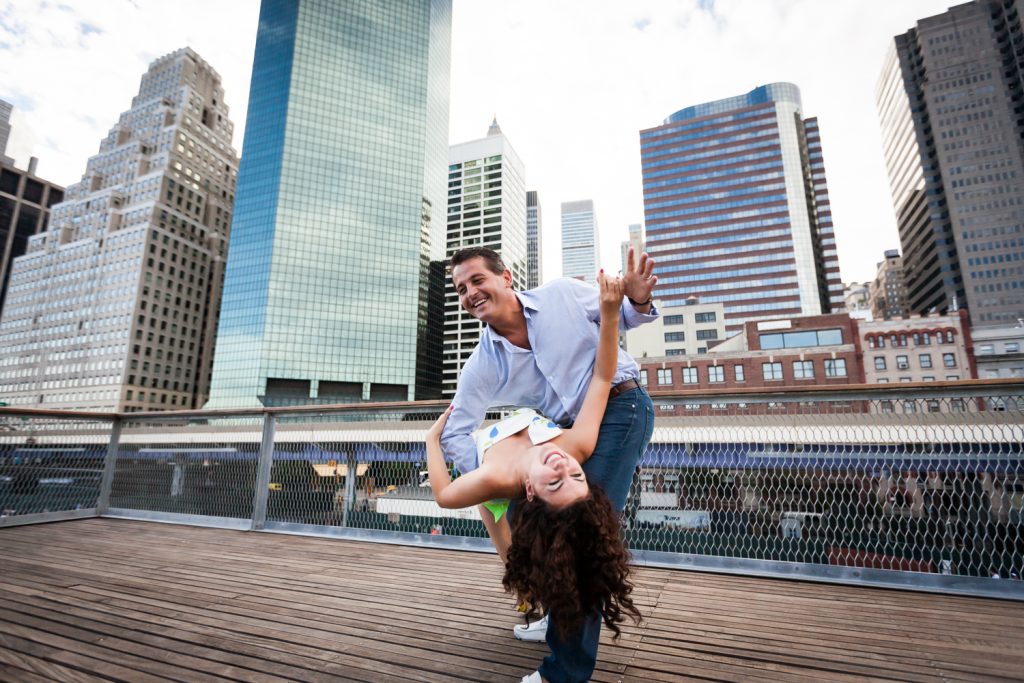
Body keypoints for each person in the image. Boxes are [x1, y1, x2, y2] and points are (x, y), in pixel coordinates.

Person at [439, 246, 658, 683]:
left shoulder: (560, 295)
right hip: (558, 438)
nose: (470, 293)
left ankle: (564, 673)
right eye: (461, 289)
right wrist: (499, 476)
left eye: (477, 280)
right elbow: (453, 433)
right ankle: (559, 615)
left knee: (581, 538)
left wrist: (636, 300)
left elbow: (620, 317)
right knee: (530, 519)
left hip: (618, 408)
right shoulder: (484, 361)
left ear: (506, 277)